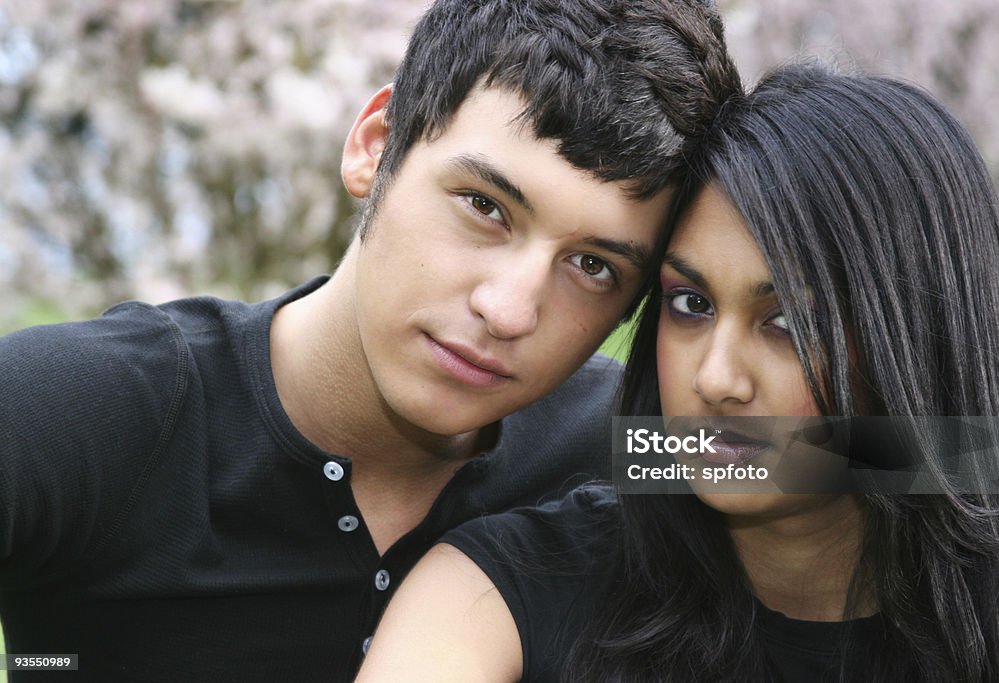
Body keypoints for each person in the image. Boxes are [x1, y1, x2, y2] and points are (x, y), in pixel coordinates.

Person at [0, 1, 741, 680]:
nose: (509, 310)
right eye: (484, 206)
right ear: (374, 146)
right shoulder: (88, 410)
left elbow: (848, 459)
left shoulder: (626, 442)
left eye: (592, 266)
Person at [355, 63, 999, 682]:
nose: (716, 378)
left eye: (787, 322)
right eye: (691, 305)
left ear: (913, 340)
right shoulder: (498, 589)